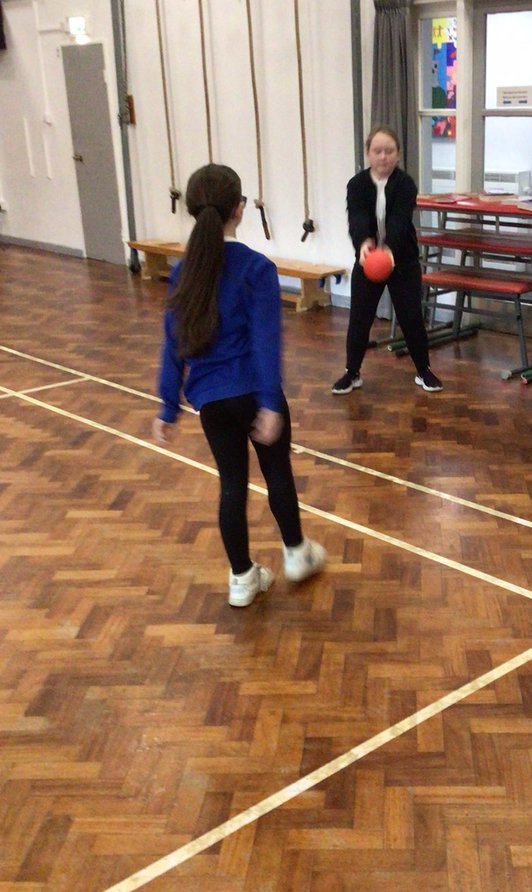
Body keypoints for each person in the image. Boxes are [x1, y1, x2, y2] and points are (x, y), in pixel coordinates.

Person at [152, 163, 325, 606]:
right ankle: (296, 553)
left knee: (232, 484)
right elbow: (266, 343)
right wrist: (269, 403)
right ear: (239, 209)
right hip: (252, 392)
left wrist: (167, 407)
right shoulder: (256, 268)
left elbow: (173, 343)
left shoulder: (183, 271)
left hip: (210, 399)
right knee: (276, 472)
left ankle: (242, 578)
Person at [331, 125, 443, 394]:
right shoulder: (357, 184)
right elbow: (357, 217)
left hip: (402, 261)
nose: (383, 156)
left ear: (398, 154)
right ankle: (351, 373)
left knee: (411, 317)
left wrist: (390, 251)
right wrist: (363, 244)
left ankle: (424, 371)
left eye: (389, 151)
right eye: (378, 151)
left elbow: (399, 221)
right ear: (368, 153)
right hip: (367, 260)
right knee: (360, 317)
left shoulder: (405, 184)